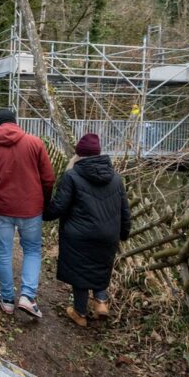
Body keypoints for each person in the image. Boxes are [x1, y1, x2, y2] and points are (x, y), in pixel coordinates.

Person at [0, 109, 55, 318]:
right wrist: (43, 201)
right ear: (15, 123)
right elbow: (48, 178)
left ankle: (8, 299)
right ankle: (27, 296)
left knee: (3, 251)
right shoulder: (34, 143)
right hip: (31, 209)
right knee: (32, 250)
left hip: (2, 208)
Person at [45, 133, 131, 327]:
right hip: (108, 234)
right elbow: (124, 210)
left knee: (80, 272)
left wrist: (43, 213)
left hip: (79, 234)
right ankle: (101, 302)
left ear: (79, 154)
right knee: (101, 266)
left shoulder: (72, 176)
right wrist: (123, 233)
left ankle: (80, 312)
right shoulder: (116, 178)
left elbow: (59, 206)